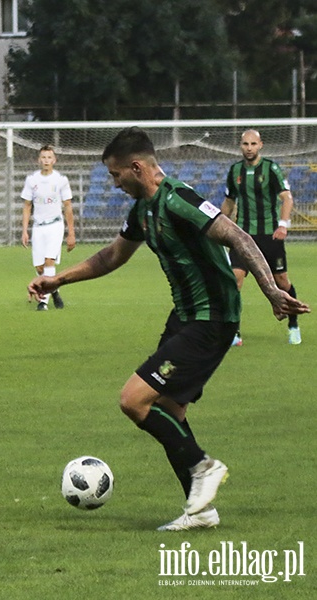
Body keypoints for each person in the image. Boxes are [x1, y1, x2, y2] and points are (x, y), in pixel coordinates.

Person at [28, 127, 309, 531]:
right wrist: (59, 280)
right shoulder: (142, 210)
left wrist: (271, 291)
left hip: (212, 317)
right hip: (185, 316)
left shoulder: (178, 199)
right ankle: (201, 511)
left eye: (116, 175)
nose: (114, 183)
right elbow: (112, 256)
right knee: (169, 410)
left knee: (134, 400)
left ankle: (203, 467)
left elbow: (238, 236)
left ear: (137, 167)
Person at [222, 129, 302, 346]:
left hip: (269, 235)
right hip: (242, 236)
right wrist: (218, 225)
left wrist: (283, 225)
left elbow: (287, 198)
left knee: (281, 282)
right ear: (241, 146)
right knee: (234, 281)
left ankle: (293, 325)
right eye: (245, 144)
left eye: (253, 144)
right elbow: (229, 203)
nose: (249, 148)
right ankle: (234, 332)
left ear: (260, 145)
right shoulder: (234, 171)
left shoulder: (271, 168)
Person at [21, 145, 76, 310]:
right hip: (38, 227)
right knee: (39, 267)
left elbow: (68, 206)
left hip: (55, 225)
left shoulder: (61, 180)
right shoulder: (32, 180)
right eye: (43, 157)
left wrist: (71, 233)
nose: (46, 161)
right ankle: (55, 290)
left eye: (49, 157)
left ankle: (42, 302)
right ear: (39, 160)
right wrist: (24, 230)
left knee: (49, 261)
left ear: (54, 160)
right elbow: (27, 206)